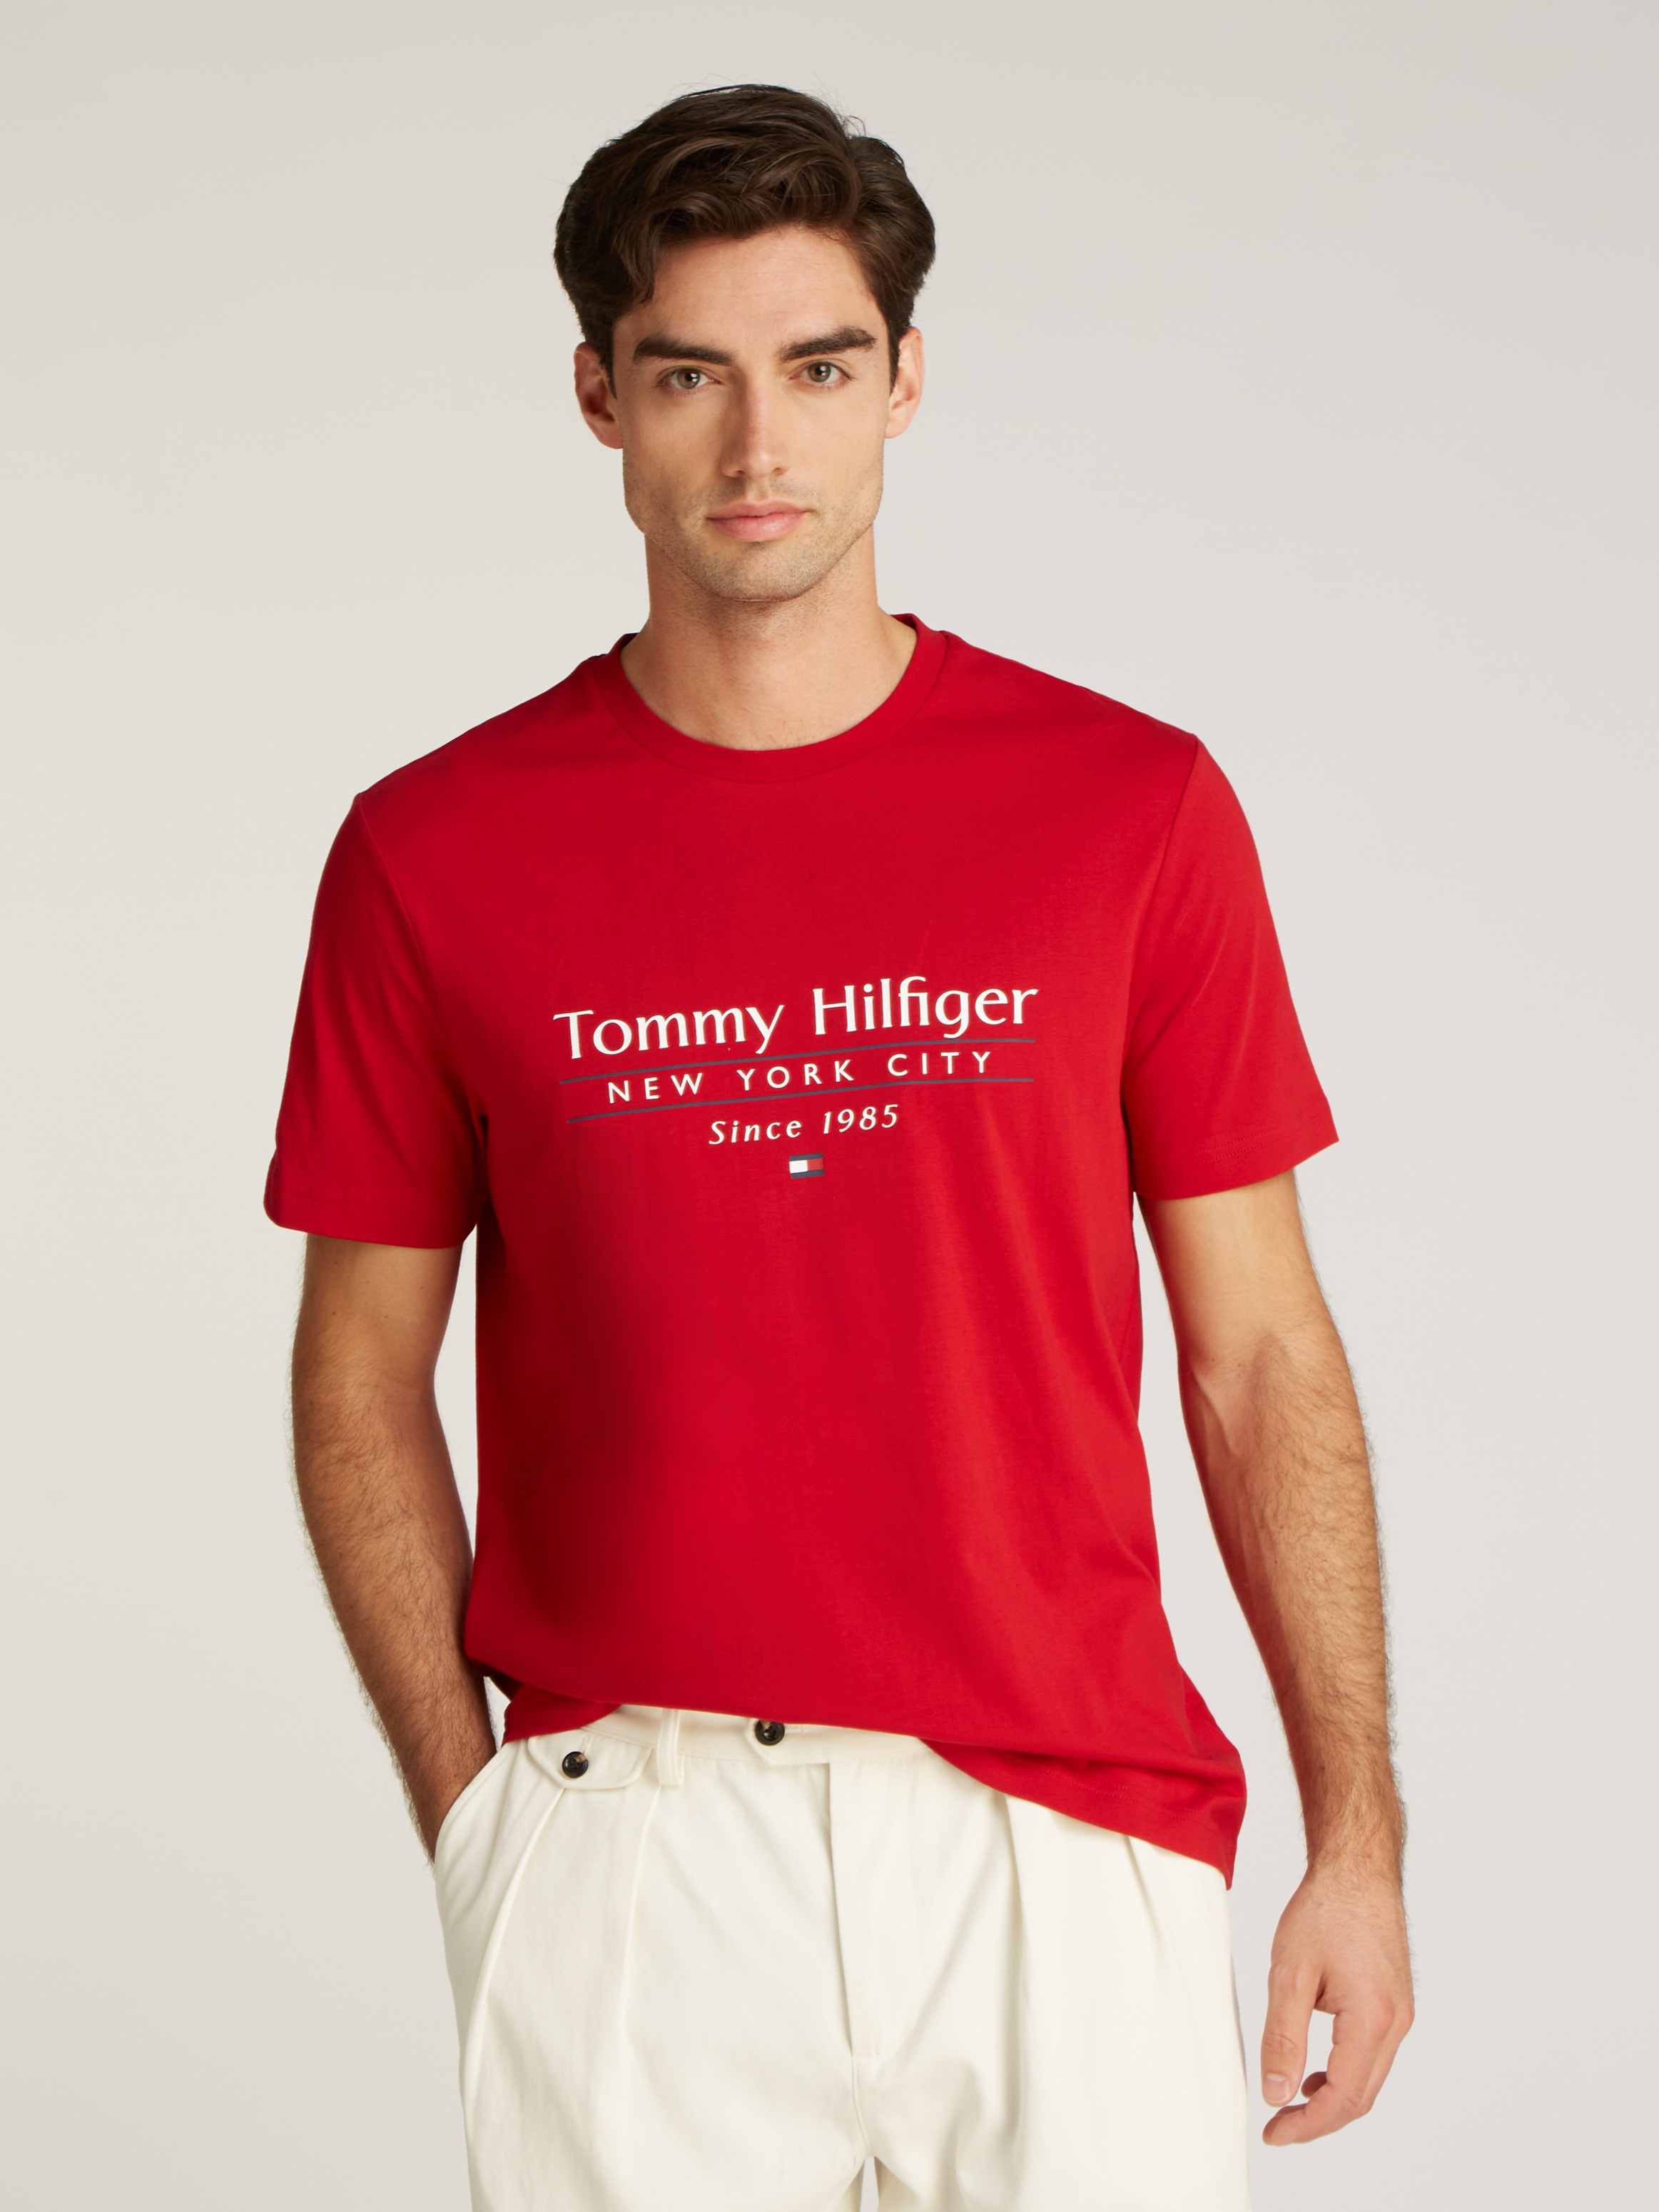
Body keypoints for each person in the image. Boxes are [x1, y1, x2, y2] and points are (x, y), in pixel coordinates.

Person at [267, 82, 1412, 2212]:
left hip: (1063, 1833)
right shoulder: (434, 854)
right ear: (600, 398)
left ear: (905, 381)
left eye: (815, 367)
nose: (757, 446)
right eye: (688, 374)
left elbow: (1263, 1357)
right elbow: (357, 1374)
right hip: (635, 1845)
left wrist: (1360, 1835)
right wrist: (477, 1818)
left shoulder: (1129, 808)